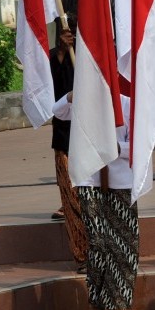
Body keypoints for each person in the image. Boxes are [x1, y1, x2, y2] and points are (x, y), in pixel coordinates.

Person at [54, 93, 138, 310]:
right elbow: (58, 111)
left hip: (121, 181)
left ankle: (113, 306)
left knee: (121, 243)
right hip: (89, 180)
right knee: (98, 241)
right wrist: (71, 96)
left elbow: (138, 144)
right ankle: (95, 304)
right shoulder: (86, 99)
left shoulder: (127, 104)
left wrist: (113, 148)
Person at [48, 18, 88, 274]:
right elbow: (49, 92)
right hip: (67, 139)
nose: (70, 38)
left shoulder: (97, 56)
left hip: (95, 138)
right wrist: (62, 53)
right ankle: (83, 255)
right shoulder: (56, 57)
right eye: (66, 33)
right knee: (73, 201)